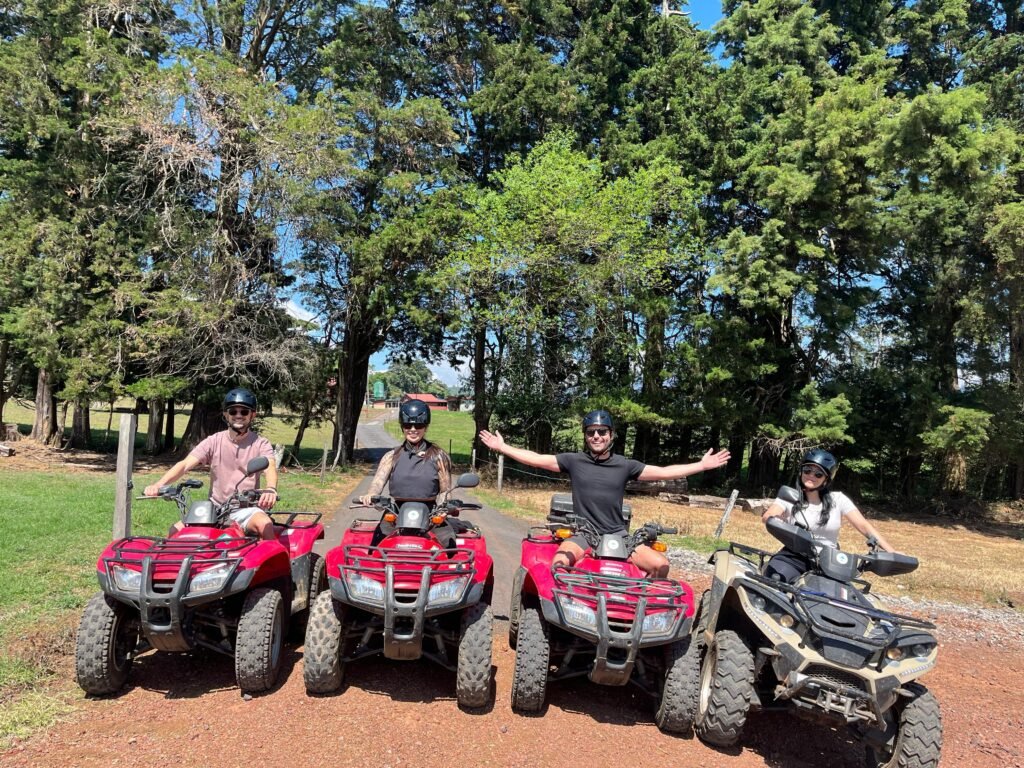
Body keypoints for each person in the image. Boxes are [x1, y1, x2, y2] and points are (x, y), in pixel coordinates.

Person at [479, 410, 730, 577]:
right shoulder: (574, 461)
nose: (596, 436)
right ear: (586, 436)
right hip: (584, 535)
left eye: (602, 431)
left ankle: (641, 615)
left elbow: (663, 472)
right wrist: (503, 448)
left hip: (619, 536)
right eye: (591, 432)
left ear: (610, 435)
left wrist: (701, 465)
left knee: (661, 565)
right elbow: (536, 459)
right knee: (559, 563)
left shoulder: (625, 465)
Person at [144, 388, 279, 541]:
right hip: (214, 509)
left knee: (264, 524)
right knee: (175, 531)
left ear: (252, 415)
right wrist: (158, 485)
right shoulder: (214, 441)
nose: (238, 415)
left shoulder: (260, 443)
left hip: (246, 508)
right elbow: (185, 464)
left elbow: (270, 466)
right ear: (225, 414)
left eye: (244, 412)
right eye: (233, 411)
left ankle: (279, 564)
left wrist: (270, 489)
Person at [761, 449, 898, 582]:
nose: (811, 476)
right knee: (776, 580)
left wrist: (891, 552)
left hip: (829, 561)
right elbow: (769, 515)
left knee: (840, 598)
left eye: (818, 474)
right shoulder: (790, 496)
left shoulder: (837, 500)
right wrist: (775, 520)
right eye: (807, 470)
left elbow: (864, 525)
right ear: (801, 471)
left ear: (826, 479)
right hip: (793, 557)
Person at [359, 398, 456, 546]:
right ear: (402, 427)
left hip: (431, 513)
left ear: (426, 427)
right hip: (396, 512)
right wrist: (371, 494)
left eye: (418, 424)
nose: (412, 429)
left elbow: (445, 490)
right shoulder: (391, 456)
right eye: (407, 425)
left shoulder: (439, 456)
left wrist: (445, 508)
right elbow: (378, 482)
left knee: (449, 543)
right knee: (377, 544)